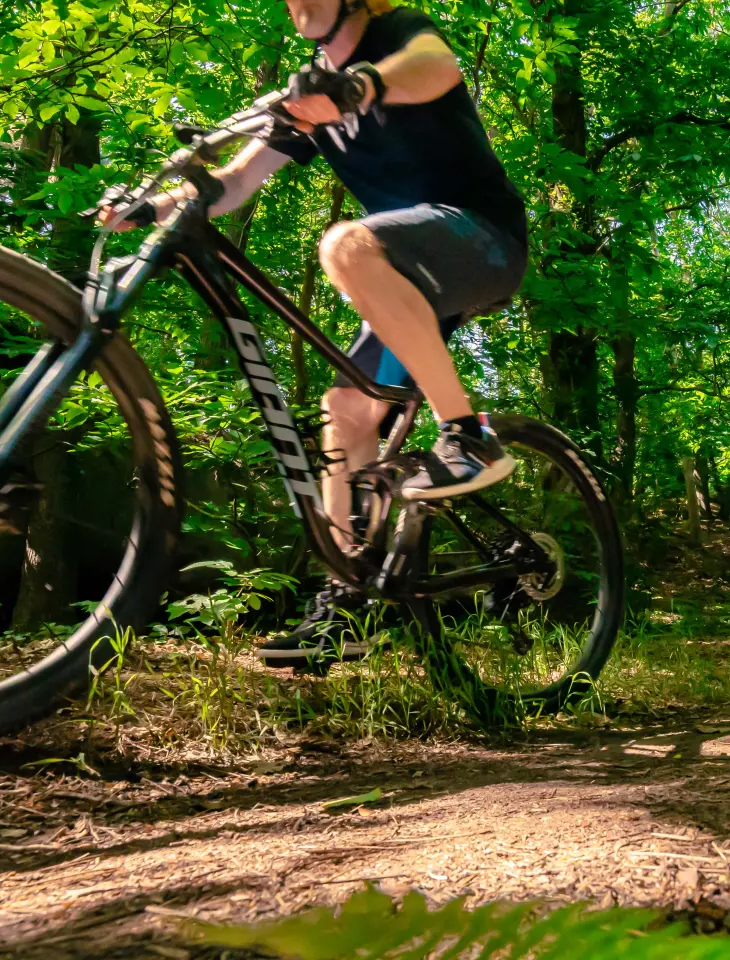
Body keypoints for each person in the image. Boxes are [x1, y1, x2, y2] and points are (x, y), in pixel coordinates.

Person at [97, 0, 528, 666]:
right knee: (346, 409)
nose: (299, 1)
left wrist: (361, 87)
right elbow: (235, 181)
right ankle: (348, 603)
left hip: (484, 242)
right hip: (407, 277)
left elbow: (435, 67)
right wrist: (152, 205)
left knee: (346, 247)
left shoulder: (394, 37)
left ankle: (467, 437)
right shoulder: (307, 93)